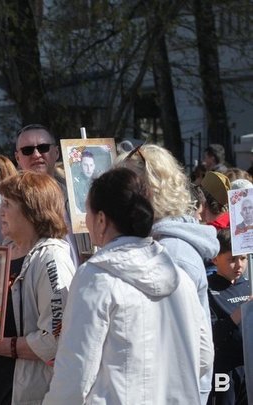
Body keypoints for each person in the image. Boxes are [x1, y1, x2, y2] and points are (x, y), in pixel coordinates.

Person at [43, 167, 214, 404]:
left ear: (101, 220)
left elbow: (75, 373)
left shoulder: (95, 278)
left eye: (87, 212)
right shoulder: (178, 276)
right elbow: (204, 356)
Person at [0, 172, 75, 405]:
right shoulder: (3, 253)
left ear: (32, 210)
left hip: (28, 392)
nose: (0, 211)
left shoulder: (51, 258)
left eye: (8, 204)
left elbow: (55, 339)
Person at [120, 144, 219, 403]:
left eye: (123, 190)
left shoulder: (172, 253)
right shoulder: (160, 243)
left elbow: (198, 353)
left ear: (147, 190)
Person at [0, 124, 80, 267]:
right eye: (27, 150)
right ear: (17, 158)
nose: (36, 154)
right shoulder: (0, 203)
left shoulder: (76, 198)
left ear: (56, 153)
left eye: (43, 147)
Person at [208, 229, 250, 404]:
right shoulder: (208, 290)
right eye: (232, 260)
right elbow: (212, 335)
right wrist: (241, 311)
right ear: (215, 259)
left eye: (243, 258)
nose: (239, 265)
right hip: (224, 370)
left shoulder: (249, 285)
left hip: (248, 366)